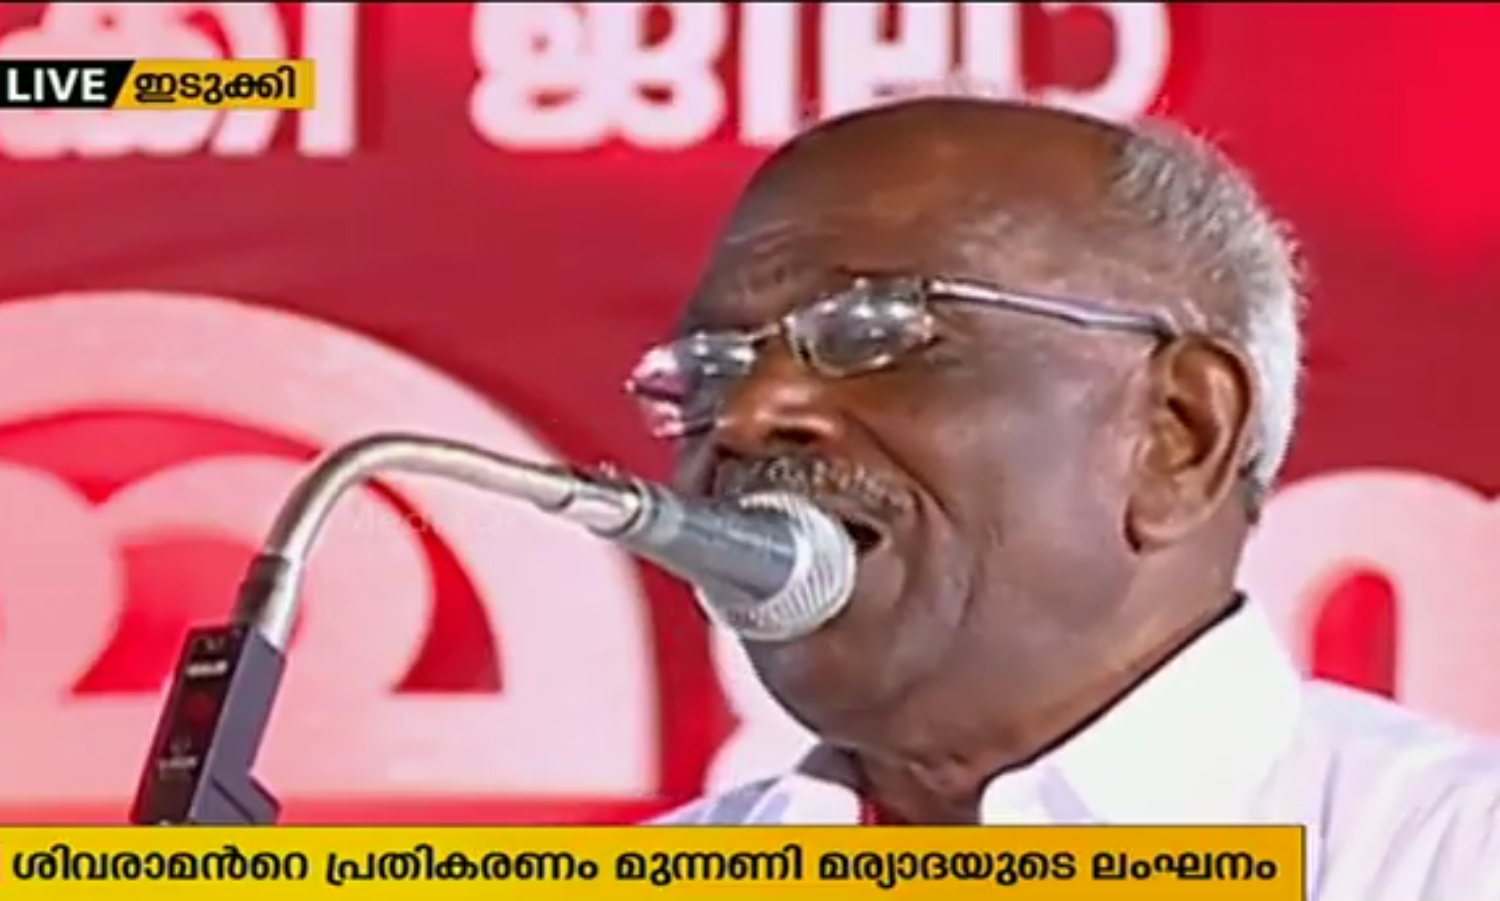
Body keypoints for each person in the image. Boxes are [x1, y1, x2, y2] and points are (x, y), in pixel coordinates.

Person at [622, 92, 1500, 897]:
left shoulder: (1452, 856)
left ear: (1180, 432)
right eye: (710, 369)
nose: (746, 415)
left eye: (872, 333)